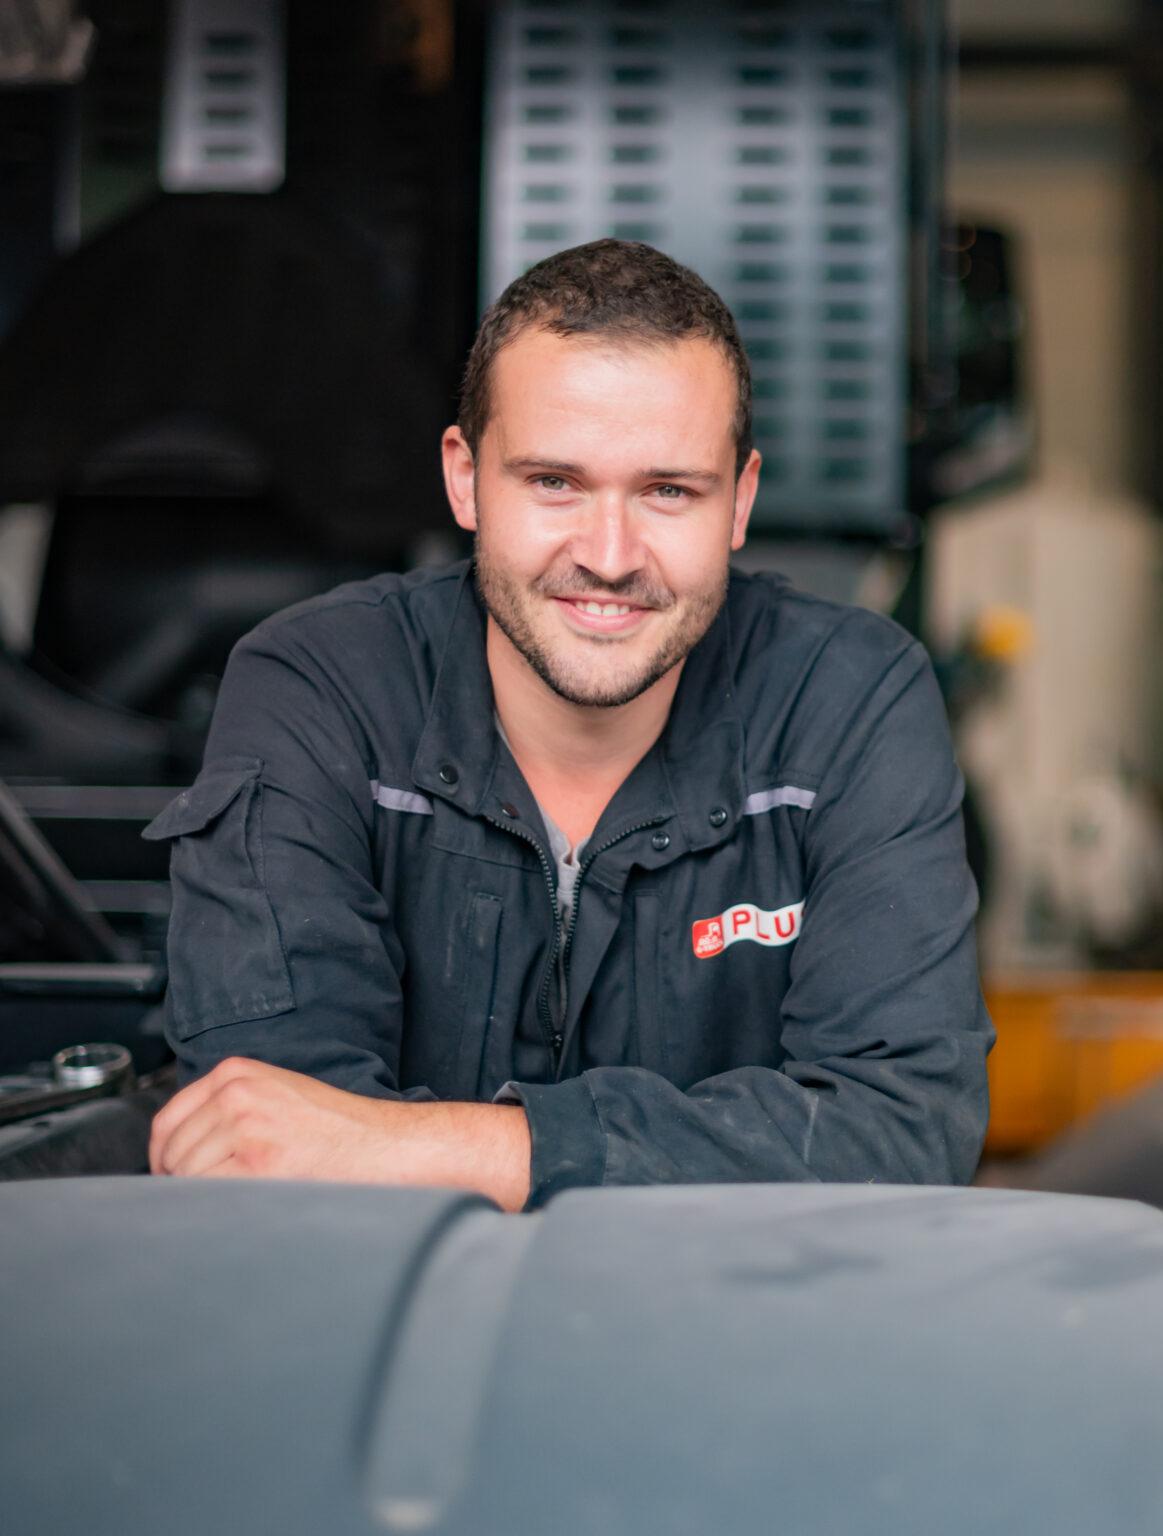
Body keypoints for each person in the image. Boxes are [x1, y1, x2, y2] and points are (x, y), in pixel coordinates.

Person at [144, 240, 991, 1210]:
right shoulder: (320, 687)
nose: (611, 555)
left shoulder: (849, 700)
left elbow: (903, 1128)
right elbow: (263, 1143)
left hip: (738, 1344)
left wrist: (466, 1148)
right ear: (464, 479)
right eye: (554, 482)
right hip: (376, 1342)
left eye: (668, 491)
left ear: (741, 501)